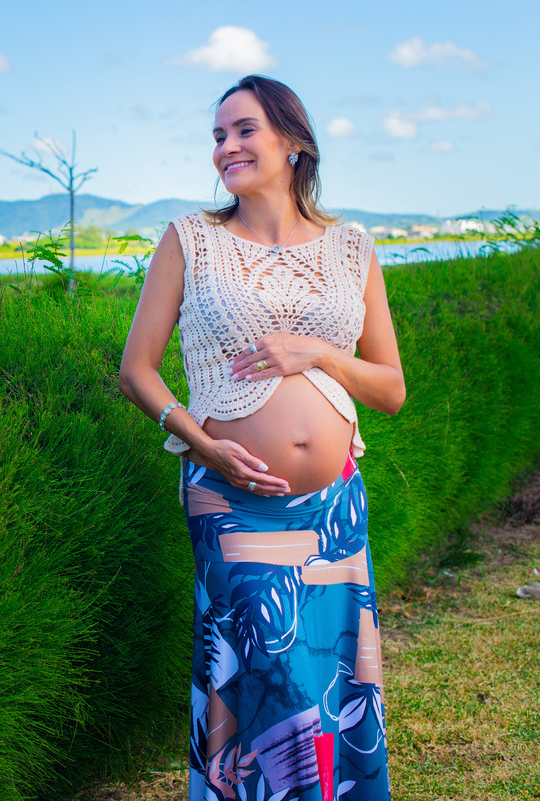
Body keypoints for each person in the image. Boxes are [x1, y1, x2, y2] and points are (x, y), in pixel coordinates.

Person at [117, 75, 405, 800]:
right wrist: (199, 444)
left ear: (294, 142)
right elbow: (136, 370)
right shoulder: (191, 239)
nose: (227, 147)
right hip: (231, 499)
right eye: (218, 135)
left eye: (244, 130)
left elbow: (390, 389)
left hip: (334, 507)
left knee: (335, 675)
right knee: (266, 676)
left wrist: (321, 354)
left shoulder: (352, 247)